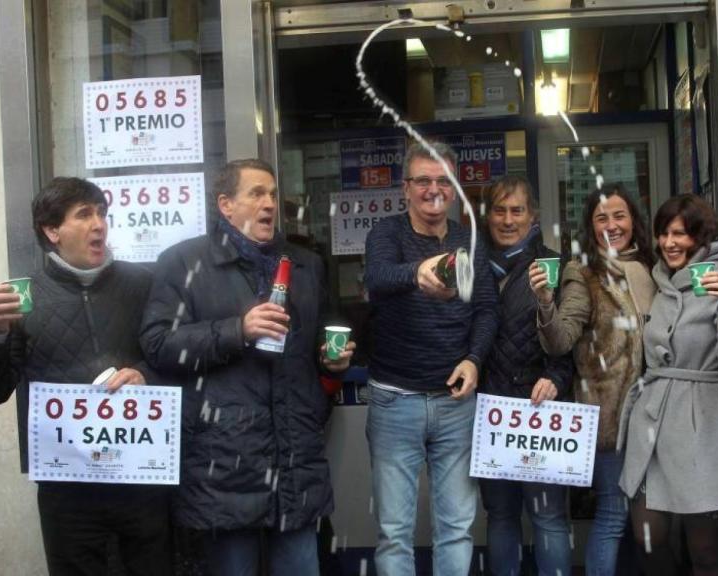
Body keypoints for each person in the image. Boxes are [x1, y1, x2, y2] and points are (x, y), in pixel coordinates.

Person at [140, 159, 354, 576]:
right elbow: (158, 344)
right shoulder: (184, 263)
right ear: (225, 204)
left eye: (273, 194)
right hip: (224, 461)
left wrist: (334, 360)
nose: (270, 203)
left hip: (294, 457)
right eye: (256, 193)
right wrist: (237, 330)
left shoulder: (306, 265)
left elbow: (328, 332)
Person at [0, 177, 170, 575]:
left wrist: (145, 375)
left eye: (102, 213)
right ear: (52, 230)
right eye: (84, 215)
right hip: (69, 492)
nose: (99, 224)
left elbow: (173, 359)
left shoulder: (143, 284)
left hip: (141, 479)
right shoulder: (24, 298)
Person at [363, 141, 497, 576]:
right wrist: (416, 273)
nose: (433, 189)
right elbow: (378, 278)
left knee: (457, 527)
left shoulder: (468, 239)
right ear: (406, 188)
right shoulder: (386, 233)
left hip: (455, 402)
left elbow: (486, 309)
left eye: (444, 180)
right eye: (423, 180)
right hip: (393, 400)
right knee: (394, 531)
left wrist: (475, 358)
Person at [617, 194, 718, 575]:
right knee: (648, 535)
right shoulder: (659, 281)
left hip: (705, 424)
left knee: (707, 550)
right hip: (654, 425)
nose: (669, 243)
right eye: (663, 234)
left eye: (680, 234)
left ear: (701, 237)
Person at [533, 183, 655, 575]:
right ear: (590, 226)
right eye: (601, 218)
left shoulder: (654, 268)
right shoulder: (582, 273)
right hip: (610, 418)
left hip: (655, 417)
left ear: (634, 220)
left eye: (619, 215)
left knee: (645, 520)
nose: (612, 225)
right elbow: (560, 340)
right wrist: (546, 305)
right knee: (613, 516)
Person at [480, 175, 574, 576]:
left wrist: (557, 374)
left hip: (540, 411)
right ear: (487, 217)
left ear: (532, 216)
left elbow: (573, 337)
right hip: (489, 412)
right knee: (500, 516)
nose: (507, 219)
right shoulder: (470, 265)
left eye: (516, 210)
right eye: (499, 210)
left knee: (548, 516)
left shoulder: (555, 264)